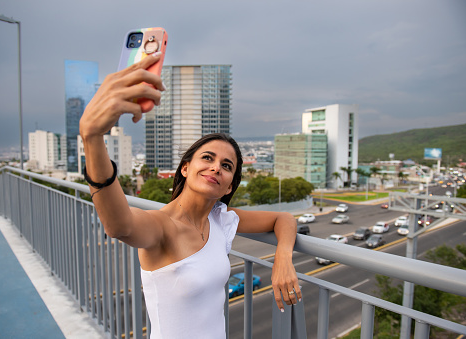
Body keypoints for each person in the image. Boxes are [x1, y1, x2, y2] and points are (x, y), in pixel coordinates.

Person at [79, 52, 302, 339]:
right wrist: (92, 137)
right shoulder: (161, 226)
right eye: (207, 158)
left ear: (230, 186)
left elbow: (283, 218)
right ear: (186, 168)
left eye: (226, 166)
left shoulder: (220, 219)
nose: (215, 168)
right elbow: (119, 226)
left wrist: (282, 258)